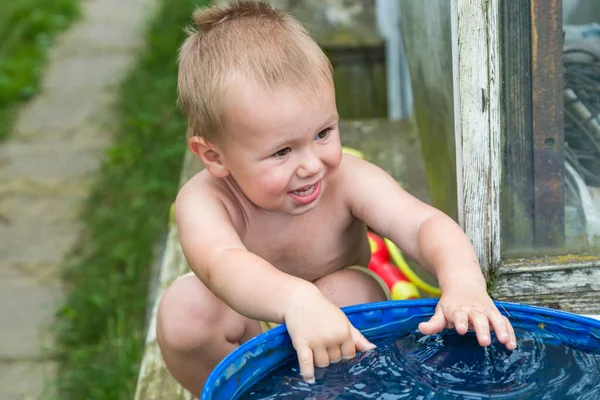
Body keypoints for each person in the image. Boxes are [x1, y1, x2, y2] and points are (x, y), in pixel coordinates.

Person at [156, 0, 517, 396]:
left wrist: (463, 282)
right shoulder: (205, 201)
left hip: (344, 324)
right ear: (214, 156)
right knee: (183, 310)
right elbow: (222, 263)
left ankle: (342, 391)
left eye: (323, 133)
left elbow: (423, 224)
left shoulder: (346, 179)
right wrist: (295, 299)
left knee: (347, 290)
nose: (311, 165)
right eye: (282, 152)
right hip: (246, 326)